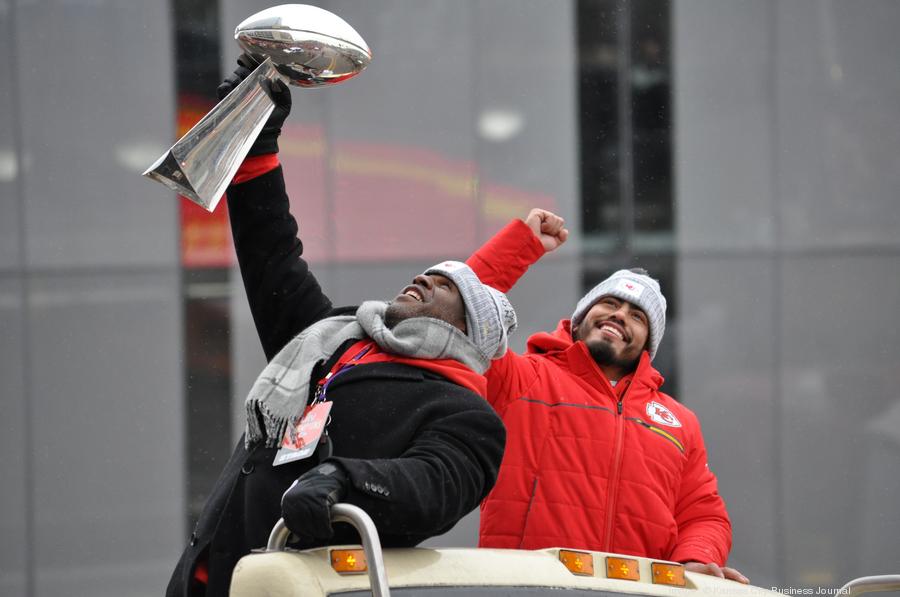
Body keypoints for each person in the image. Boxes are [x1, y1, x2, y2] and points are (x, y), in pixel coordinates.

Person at [166, 58, 515, 596]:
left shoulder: (468, 416)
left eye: (445, 287)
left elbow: (433, 487)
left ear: (469, 333)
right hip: (211, 575)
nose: (423, 279)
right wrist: (256, 133)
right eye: (427, 273)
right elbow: (271, 254)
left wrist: (344, 480)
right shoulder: (331, 336)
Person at [465, 210, 749, 583]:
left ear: (648, 345)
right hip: (528, 588)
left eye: (637, 316)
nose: (619, 316)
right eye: (609, 304)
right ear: (579, 319)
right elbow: (455, 311)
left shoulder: (680, 423)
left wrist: (696, 559)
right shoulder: (521, 378)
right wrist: (520, 246)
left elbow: (702, 515)